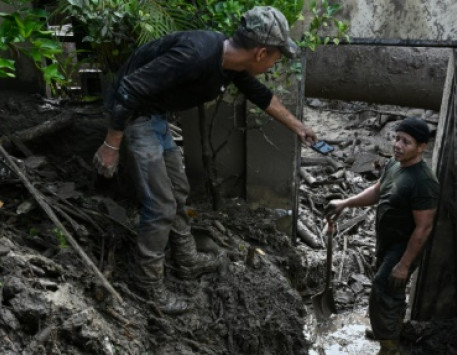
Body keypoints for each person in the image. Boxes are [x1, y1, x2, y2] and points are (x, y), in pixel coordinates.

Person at [92, 6, 317, 314]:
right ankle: (150, 288)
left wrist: (299, 127)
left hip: (154, 115)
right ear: (261, 53)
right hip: (136, 117)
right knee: (159, 204)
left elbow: (260, 95)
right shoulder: (195, 55)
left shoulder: (229, 62)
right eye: (278, 56)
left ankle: (186, 259)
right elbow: (129, 89)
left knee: (178, 189)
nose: (276, 63)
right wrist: (111, 144)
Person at [326, 117, 439, 355]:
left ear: (421, 147)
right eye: (396, 138)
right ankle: (386, 329)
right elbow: (378, 191)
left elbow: (424, 228)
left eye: (405, 142)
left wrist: (405, 264)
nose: (397, 145)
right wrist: (345, 202)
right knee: (388, 290)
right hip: (386, 241)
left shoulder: (424, 182)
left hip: (403, 247)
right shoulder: (394, 165)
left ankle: (390, 350)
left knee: (384, 287)